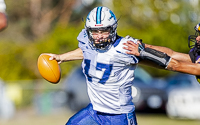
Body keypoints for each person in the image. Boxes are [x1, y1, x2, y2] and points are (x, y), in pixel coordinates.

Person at [46, 6, 200, 125]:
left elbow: (168, 62)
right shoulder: (89, 42)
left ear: (112, 29)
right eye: (94, 32)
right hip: (95, 111)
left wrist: (144, 52)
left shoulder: (124, 47)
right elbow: (87, 51)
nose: (99, 36)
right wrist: (61, 57)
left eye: (104, 31)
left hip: (119, 116)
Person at [123, 23, 200, 82]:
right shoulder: (196, 55)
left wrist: (144, 52)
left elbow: (175, 65)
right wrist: (143, 46)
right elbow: (172, 54)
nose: (197, 38)